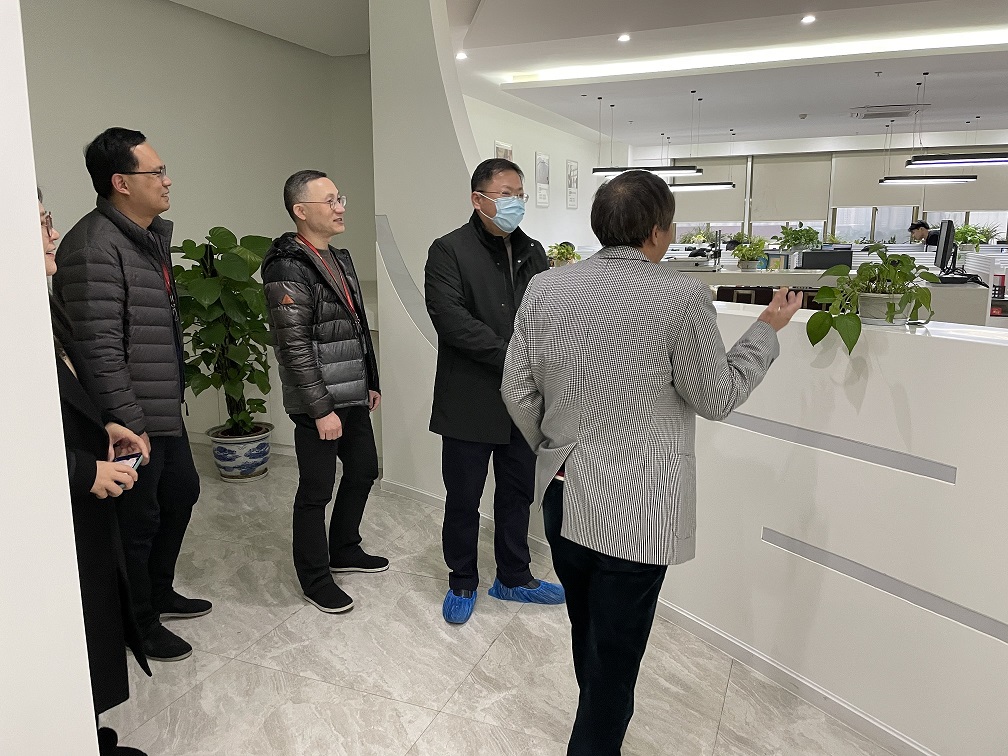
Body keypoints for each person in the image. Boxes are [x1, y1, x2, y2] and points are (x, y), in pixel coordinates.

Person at [501, 170, 802, 755]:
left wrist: (557, 446)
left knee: (589, 635)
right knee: (615, 661)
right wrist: (766, 329)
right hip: (635, 510)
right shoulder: (679, 296)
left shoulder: (545, 288)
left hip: (563, 492)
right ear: (658, 231)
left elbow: (516, 388)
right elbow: (716, 396)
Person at [52, 128, 208, 663]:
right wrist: (127, 419)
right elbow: (98, 348)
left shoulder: (144, 237)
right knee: (137, 524)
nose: (167, 180)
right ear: (121, 182)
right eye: (156, 172)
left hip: (161, 409)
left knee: (180, 494)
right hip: (131, 419)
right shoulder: (93, 247)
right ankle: (137, 623)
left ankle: (158, 593)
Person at [425, 158, 565, 625]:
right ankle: (462, 579)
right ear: (478, 199)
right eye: (506, 194)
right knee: (464, 498)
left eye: (520, 194)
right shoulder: (448, 251)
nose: (515, 203)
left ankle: (513, 577)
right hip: (469, 398)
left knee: (517, 493)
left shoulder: (533, 252)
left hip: (522, 403)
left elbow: (547, 314)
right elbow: (452, 321)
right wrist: (516, 358)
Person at [40, 189, 152, 755]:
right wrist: (81, 470)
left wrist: (104, 425)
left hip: (80, 492)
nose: (52, 235)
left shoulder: (41, 302)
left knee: (94, 614)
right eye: (41, 223)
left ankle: (87, 730)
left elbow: (66, 385)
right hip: (52, 505)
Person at [262, 170, 383, 614]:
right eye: (329, 201)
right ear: (300, 210)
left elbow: (356, 325)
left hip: (351, 391)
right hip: (320, 403)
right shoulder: (286, 266)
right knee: (316, 490)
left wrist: (371, 380)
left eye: (339, 198)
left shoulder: (338, 256)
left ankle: (344, 548)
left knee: (363, 470)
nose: (340, 207)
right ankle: (315, 578)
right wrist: (320, 409)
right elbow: (293, 345)